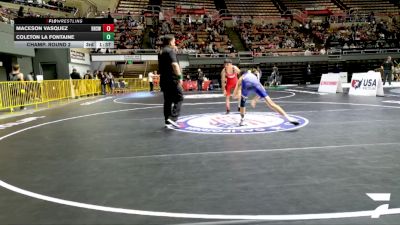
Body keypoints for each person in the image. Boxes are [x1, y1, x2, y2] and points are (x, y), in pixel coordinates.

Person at [233, 69, 299, 126]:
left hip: (246, 85)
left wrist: (238, 94)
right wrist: (255, 99)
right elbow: (263, 89)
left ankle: (242, 120)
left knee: (242, 104)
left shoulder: (241, 77)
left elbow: (234, 95)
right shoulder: (253, 76)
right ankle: (288, 118)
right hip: (256, 85)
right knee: (271, 104)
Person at [158, 35, 184, 128]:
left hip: (164, 79)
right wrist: (180, 77)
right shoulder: (170, 51)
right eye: (174, 41)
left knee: (168, 100)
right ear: (170, 42)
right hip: (172, 79)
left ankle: (167, 121)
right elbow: (175, 65)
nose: (175, 43)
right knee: (179, 97)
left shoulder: (161, 51)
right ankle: (173, 118)